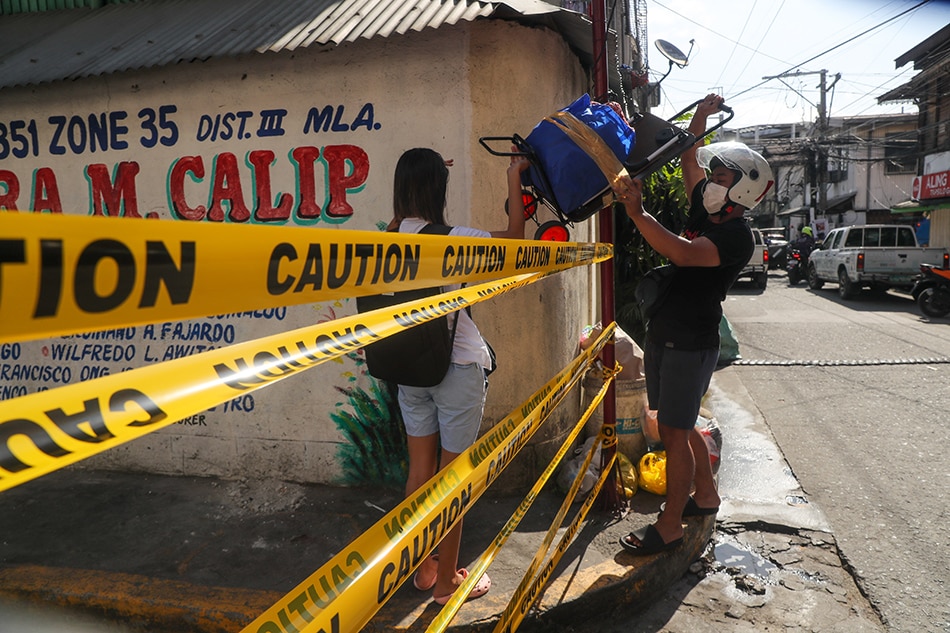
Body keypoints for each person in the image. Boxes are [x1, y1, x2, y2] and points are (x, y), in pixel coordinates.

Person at [611, 94, 773, 555]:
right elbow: (689, 161)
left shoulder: (736, 236)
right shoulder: (707, 213)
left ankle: (670, 525)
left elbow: (682, 253)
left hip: (689, 341)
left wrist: (639, 213)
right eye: (715, 176)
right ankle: (706, 495)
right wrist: (701, 117)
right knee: (674, 427)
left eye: (722, 178)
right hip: (667, 334)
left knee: (676, 435)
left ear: (743, 189)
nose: (712, 183)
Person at [390, 147, 530, 603]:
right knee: (453, 481)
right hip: (457, 366)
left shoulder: (388, 236)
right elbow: (513, 239)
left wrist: (426, 168)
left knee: (420, 475)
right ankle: (448, 583)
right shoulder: (454, 239)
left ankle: (426, 568)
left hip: (409, 366)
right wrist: (514, 176)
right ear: (438, 189)